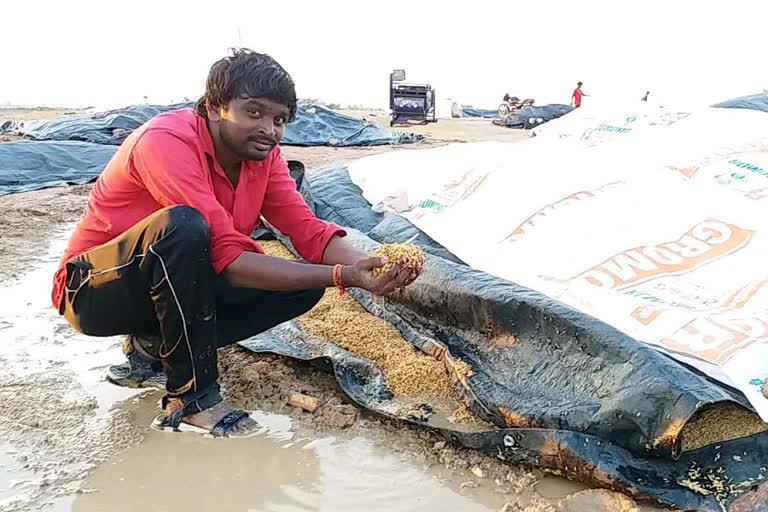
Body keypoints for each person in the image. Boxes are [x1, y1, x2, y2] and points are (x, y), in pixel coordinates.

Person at [51, 48, 422, 437]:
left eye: (280, 119)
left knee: (305, 286)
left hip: (158, 288)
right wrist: (342, 274)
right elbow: (224, 253)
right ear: (215, 107)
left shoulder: (265, 157)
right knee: (184, 227)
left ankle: (150, 347)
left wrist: (368, 266)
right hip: (92, 291)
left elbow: (306, 229)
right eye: (254, 112)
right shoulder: (166, 141)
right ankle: (190, 400)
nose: (269, 129)